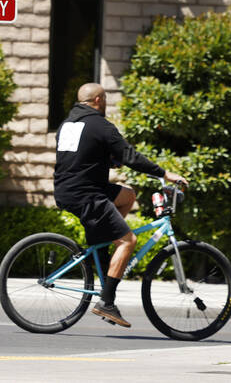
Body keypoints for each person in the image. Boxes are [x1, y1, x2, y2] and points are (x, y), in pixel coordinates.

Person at [53, 82, 187, 328]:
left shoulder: (67, 125)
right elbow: (130, 156)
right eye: (105, 100)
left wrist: (108, 160)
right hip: (87, 194)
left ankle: (104, 245)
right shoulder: (100, 125)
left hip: (69, 189)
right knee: (128, 241)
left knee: (127, 195)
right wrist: (165, 173)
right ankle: (107, 301)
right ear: (98, 100)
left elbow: (81, 155)